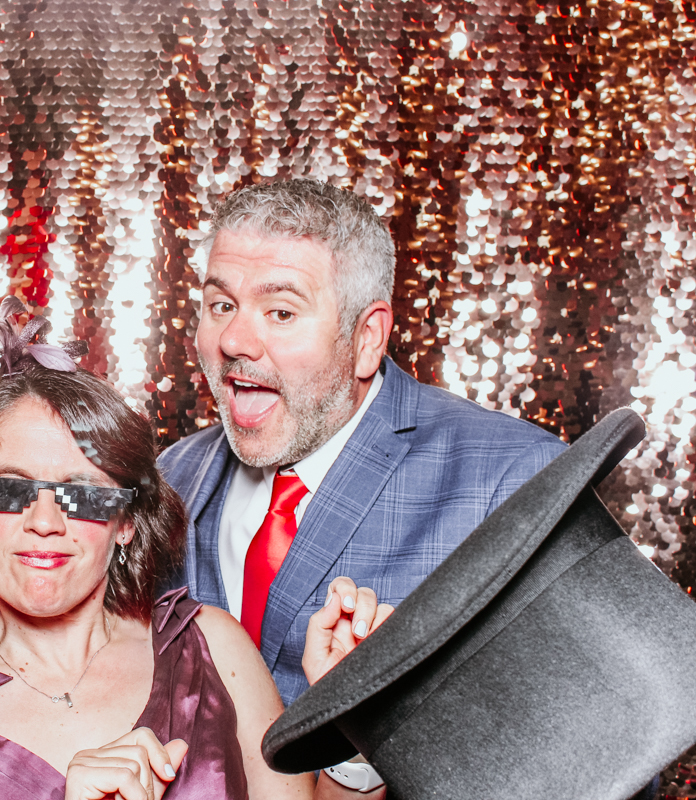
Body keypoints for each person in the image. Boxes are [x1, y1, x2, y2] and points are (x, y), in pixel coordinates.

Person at [158, 179, 566, 794]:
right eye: (220, 305)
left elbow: (594, 748)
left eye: (281, 312)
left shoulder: (513, 479)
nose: (235, 342)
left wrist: (376, 720)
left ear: (367, 338)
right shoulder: (171, 477)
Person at [0, 311, 334, 800]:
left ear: (125, 521)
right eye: (9, 490)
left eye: (81, 496)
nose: (44, 522)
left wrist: (358, 722)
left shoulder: (214, 649)